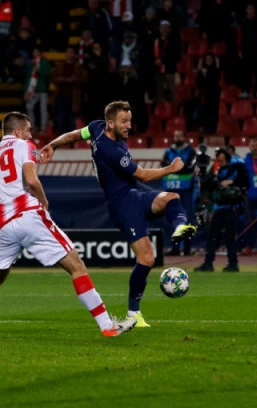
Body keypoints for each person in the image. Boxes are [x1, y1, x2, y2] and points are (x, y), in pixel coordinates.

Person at [0, 112, 135, 338]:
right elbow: (32, 179)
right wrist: (44, 201)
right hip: (28, 216)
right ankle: (107, 325)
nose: (30, 135)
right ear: (18, 131)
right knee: (77, 267)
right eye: (27, 131)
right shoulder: (24, 145)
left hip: (4, 227)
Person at [39, 101, 197, 328]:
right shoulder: (110, 149)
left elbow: (75, 135)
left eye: (129, 120)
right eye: (124, 121)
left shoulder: (96, 127)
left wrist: (53, 144)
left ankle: (180, 227)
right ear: (111, 123)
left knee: (171, 197)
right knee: (147, 259)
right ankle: (134, 314)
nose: (129, 126)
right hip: (122, 205)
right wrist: (171, 169)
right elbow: (143, 175)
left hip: (133, 196)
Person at [195, 148, 250, 272]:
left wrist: (232, 182)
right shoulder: (217, 170)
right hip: (219, 206)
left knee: (229, 236)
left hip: (231, 207)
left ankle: (233, 264)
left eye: (221, 161)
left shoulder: (237, 168)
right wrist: (202, 174)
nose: (220, 163)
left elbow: (246, 184)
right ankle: (208, 263)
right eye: (218, 161)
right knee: (212, 236)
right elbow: (209, 185)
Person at [161, 129, 198, 256]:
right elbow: (164, 165)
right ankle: (175, 248)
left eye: (180, 135)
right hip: (171, 190)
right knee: (172, 218)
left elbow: (190, 167)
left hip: (186, 190)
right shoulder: (168, 151)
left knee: (187, 218)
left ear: (184, 137)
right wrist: (180, 168)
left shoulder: (191, 151)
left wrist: (173, 169)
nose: (178, 137)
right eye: (176, 135)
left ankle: (187, 249)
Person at [236, 3, 257, 99]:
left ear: (254, 10)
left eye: (252, 8)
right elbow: (239, 37)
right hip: (245, 51)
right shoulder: (242, 22)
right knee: (246, 72)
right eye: (248, 8)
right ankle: (246, 91)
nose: (250, 10)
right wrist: (239, 50)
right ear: (246, 10)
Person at [24, 47, 51, 135]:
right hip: (33, 90)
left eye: (37, 52)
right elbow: (28, 78)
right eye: (34, 52)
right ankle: (33, 126)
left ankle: (43, 128)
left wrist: (38, 70)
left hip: (43, 90)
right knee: (29, 106)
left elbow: (47, 73)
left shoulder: (45, 62)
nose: (35, 54)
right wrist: (26, 91)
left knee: (43, 109)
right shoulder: (32, 63)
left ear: (40, 53)